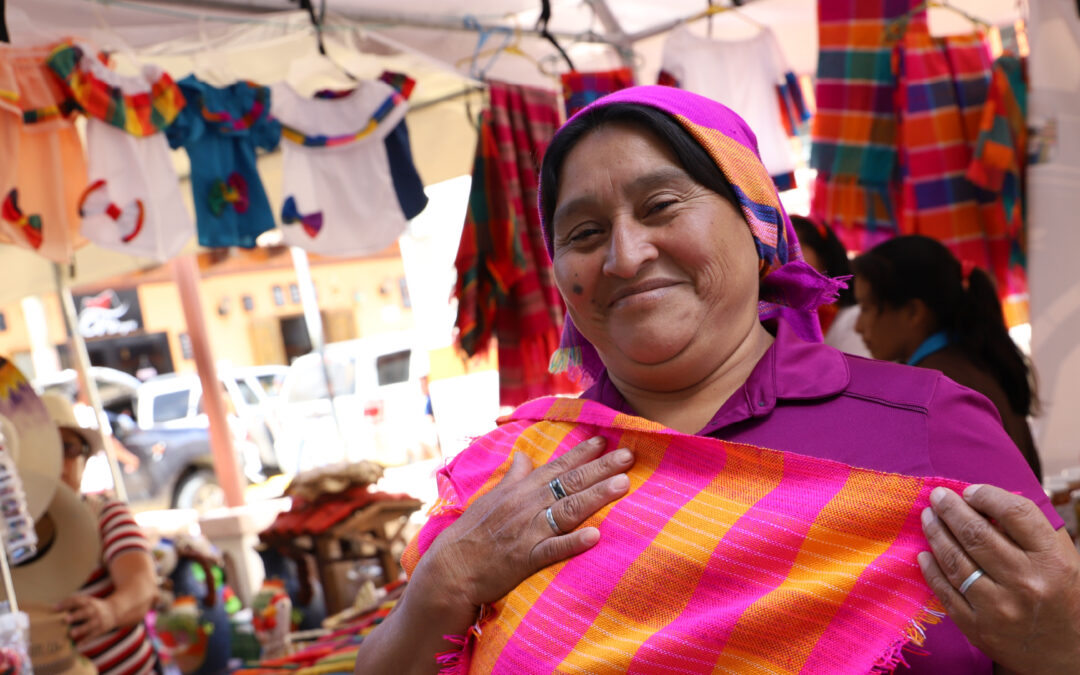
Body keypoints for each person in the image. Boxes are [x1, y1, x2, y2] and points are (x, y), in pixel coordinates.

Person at [354, 87, 1079, 674]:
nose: (626, 255)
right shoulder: (517, 472)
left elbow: (1053, 632)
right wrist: (442, 588)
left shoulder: (923, 424)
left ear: (757, 222)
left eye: (661, 206)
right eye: (582, 233)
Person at [851, 235, 1042, 481]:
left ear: (913, 312)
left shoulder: (932, 387)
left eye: (866, 308)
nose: (858, 326)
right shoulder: (974, 364)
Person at [42, 393, 161, 675]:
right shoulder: (11, 542)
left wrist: (109, 611)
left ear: (83, 459)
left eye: (69, 449)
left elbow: (143, 585)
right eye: (47, 449)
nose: (60, 463)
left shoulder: (105, 514)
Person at [789, 214, 870, 357]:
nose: (780, 261)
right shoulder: (780, 313)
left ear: (822, 256)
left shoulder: (852, 318)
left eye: (791, 250)